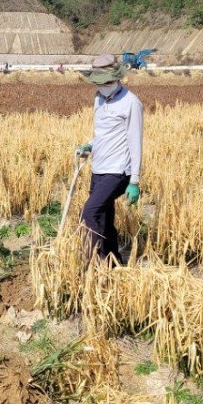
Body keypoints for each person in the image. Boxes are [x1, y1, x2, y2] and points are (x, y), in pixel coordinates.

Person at [76, 53, 144, 264]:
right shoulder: (99, 98)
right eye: (99, 82)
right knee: (104, 219)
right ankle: (114, 263)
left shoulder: (131, 103)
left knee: (89, 213)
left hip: (118, 171)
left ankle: (95, 264)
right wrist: (90, 145)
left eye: (107, 82)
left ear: (117, 78)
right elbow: (103, 134)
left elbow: (135, 142)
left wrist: (134, 180)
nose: (103, 85)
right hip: (99, 167)